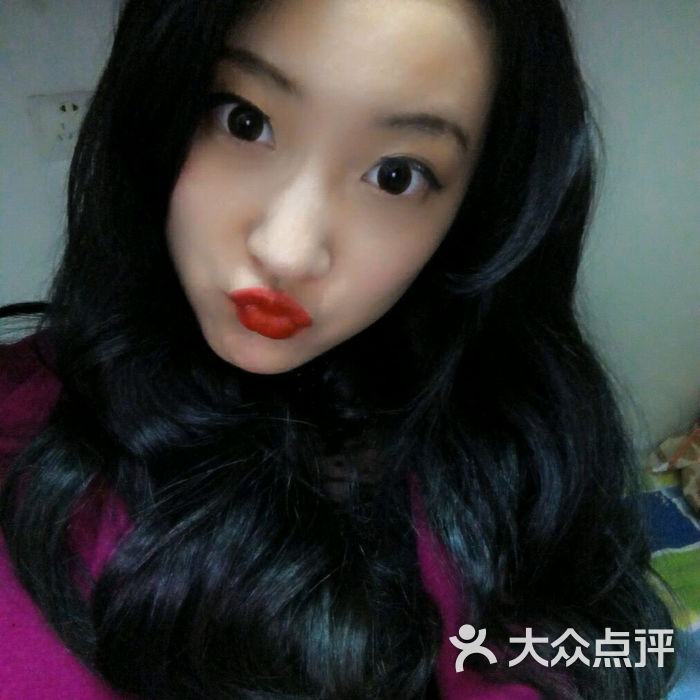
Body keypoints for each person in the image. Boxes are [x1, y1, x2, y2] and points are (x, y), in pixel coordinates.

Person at [0, 0, 677, 698]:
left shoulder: (515, 437)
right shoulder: (24, 448)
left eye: (396, 175)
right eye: (245, 121)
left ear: (476, 211)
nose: (287, 250)